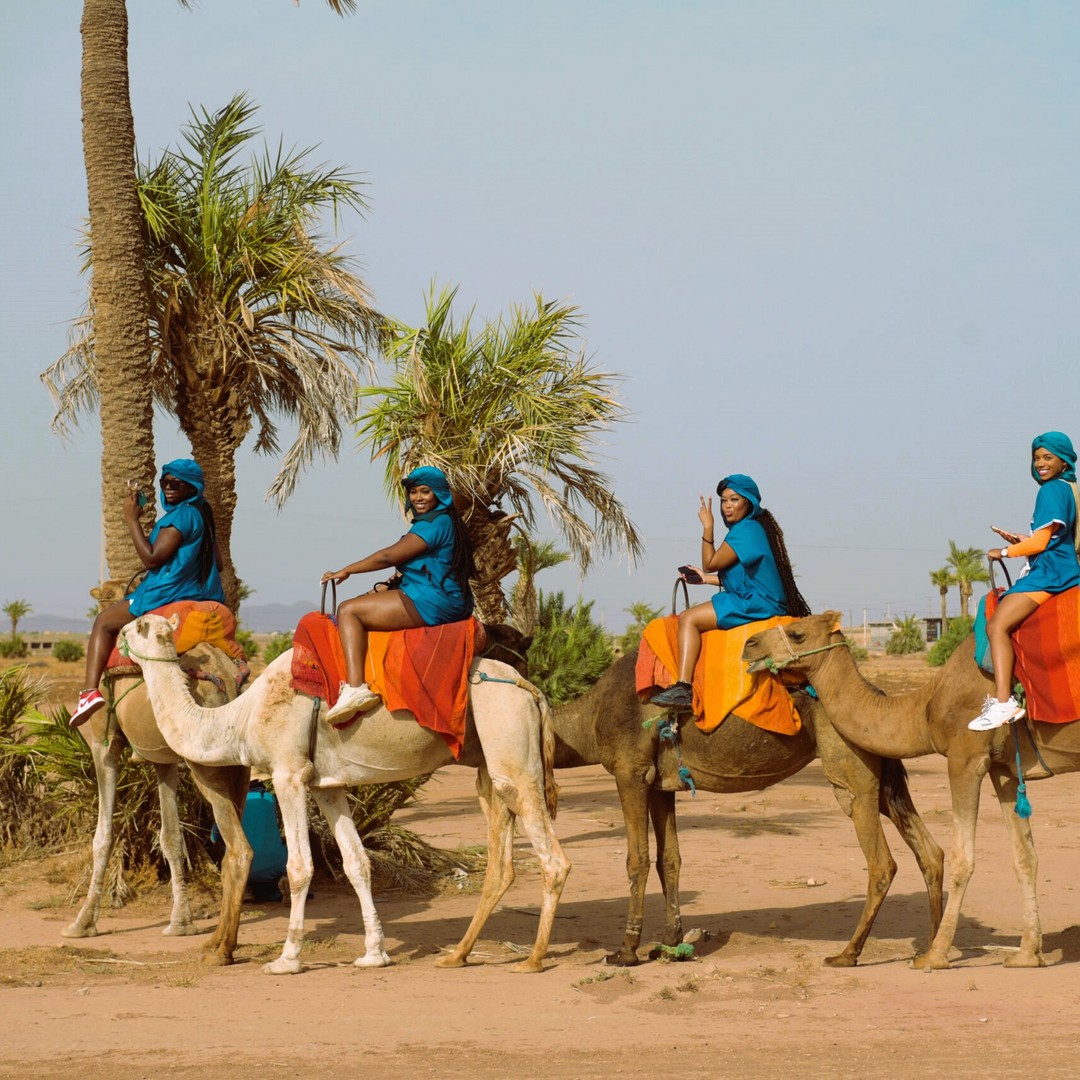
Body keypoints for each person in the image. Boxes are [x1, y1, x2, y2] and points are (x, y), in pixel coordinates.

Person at [70, 458, 226, 727]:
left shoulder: (180, 516)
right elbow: (219, 564)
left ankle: (89, 692)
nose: (168, 487)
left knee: (104, 621)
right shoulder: (202, 514)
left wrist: (131, 520)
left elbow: (152, 559)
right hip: (200, 594)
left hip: (167, 593)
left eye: (176, 483)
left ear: (193, 487)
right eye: (164, 482)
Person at [322, 465, 475, 721]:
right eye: (413, 492)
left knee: (349, 610)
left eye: (425, 491)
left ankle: (355, 688)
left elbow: (388, 556)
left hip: (431, 600)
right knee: (368, 600)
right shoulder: (444, 521)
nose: (418, 498)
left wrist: (346, 570)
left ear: (438, 494)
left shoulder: (433, 524)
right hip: (445, 596)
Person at [651, 473, 811, 709]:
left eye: (734, 500)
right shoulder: (751, 529)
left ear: (748, 502)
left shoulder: (745, 530)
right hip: (754, 597)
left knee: (688, 619)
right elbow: (746, 578)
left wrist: (708, 527)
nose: (727, 506)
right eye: (724, 500)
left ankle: (683, 687)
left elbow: (710, 562)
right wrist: (707, 580)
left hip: (757, 603)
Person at [969, 432, 1080, 731]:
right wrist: (1021, 540)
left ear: (1063, 460)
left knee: (997, 625)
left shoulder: (1050, 492)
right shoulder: (1066, 489)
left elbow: (1042, 542)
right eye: (1037, 458)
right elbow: (1053, 538)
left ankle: (1003, 701)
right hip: (1057, 566)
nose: (1041, 463)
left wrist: (1004, 552)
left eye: (1048, 458)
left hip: (1050, 574)